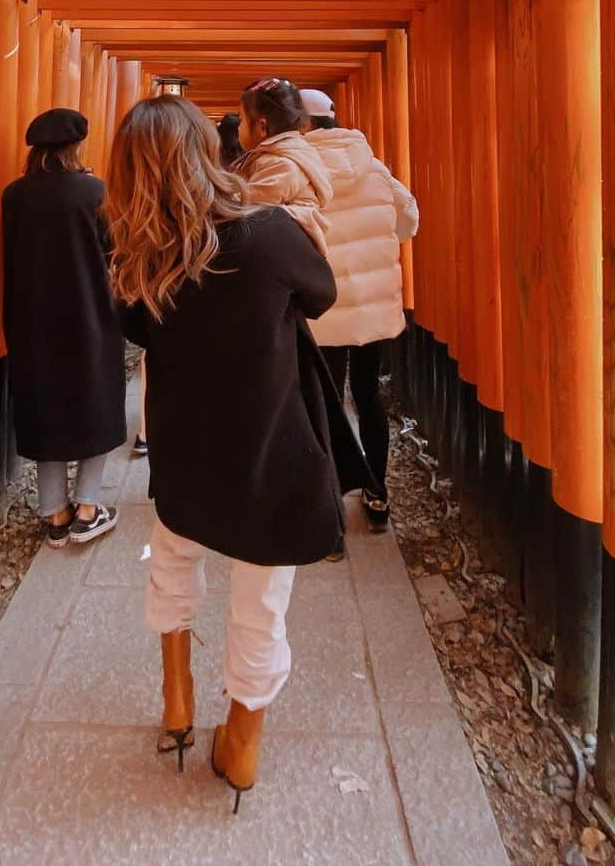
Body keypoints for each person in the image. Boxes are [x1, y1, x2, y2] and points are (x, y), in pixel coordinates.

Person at [104, 97, 369, 811]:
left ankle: (177, 700)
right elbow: (320, 295)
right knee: (261, 602)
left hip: (186, 446)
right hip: (267, 449)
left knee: (173, 560)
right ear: (207, 154)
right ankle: (242, 742)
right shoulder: (270, 234)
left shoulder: (138, 254)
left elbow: (133, 328)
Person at [1, 108, 126, 547]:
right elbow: (116, 255)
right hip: (89, 316)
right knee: (97, 404)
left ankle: (55, 513)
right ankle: (88, 508)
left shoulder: (14, 196)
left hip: (32, 318)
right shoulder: (95, 192)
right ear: (76, 148)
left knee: (45, 409)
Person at [299, 89, 419, 533]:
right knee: (369, 398)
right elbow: (408, 221)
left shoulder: (299, 171)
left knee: (324, 406)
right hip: (373, 309)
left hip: (324, 311)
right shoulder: (374, 168)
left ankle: (329, 507)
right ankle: (377, 496)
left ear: (303, 125)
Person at [235, 77, 332, 253]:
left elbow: (249, 203)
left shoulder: (283, 163)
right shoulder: (280, 155)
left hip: (290, 253)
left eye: (241, 120)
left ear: (262, 127)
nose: (238, 127)